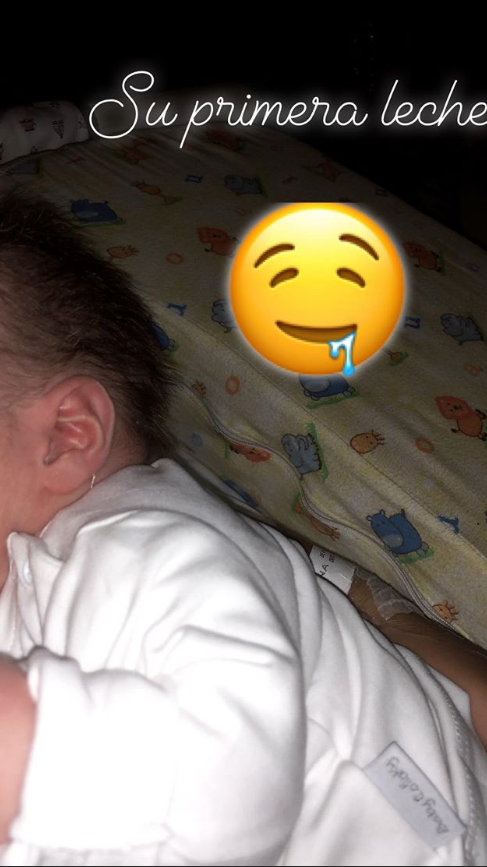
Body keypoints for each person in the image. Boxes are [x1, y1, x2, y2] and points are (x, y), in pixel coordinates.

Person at [0, 191, 486, 867]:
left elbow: (231, 776)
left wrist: (26, 741)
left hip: (432, 835)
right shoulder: (36, 579)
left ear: (66, 436)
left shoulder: (150, 544)